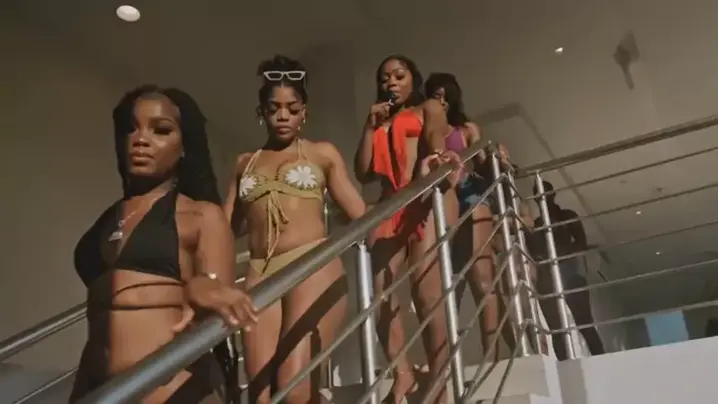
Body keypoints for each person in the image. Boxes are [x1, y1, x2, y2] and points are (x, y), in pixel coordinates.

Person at [70, 86, 257, 403]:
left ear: (184, 146)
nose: (140, 139)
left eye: (160, 130)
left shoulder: (200, 215)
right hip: (102, 392)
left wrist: (200, 286)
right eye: (131, 128)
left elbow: (217, 296)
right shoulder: (106, 222)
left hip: (176, 393)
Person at [223, 55, 366, 404]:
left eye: (292, 108)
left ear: (305, 112)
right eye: (274, 109)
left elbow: (359, 213)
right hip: (260, 271)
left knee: (295, 387)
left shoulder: (322, 153)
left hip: (311, 264)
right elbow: (225, 229)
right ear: (262, 112)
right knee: (259, 394)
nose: (283, 116)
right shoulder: (245, 163)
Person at [354, 55, 459, 404]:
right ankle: (403, 374)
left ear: (414, 78)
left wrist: (439, 155)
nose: (391, 83)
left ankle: (441, 380)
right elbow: (363, 171)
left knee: (426, 292)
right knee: (378, 292)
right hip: (390, 204)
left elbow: (435, 132)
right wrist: (369, 126)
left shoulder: (427, 107)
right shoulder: (380, 120)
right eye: (384, 78)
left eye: (399, 76)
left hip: (422, 195)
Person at [424, 72, 520, 360]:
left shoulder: (466, 128)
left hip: (470, 197)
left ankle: (492, 356)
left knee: (482, 278)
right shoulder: (426, 129)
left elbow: (482, 163)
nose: (441, 101)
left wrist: (497, 157)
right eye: (435, 95)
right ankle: (446, 361)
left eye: (445, 95)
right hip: (442, 204)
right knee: (447, 285)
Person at [531, 180, 605, 360]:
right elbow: (535, 253)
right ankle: (565, 366)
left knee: (585, 323)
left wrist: (560, 254)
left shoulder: (567, 215)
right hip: (548, 277)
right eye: (538, 195)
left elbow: (581, 242)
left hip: (570, 273)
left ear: (553, 194)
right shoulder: (538, 223)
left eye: (545, 193)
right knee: (557, 329)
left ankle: (602, 360)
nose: (542, 198)